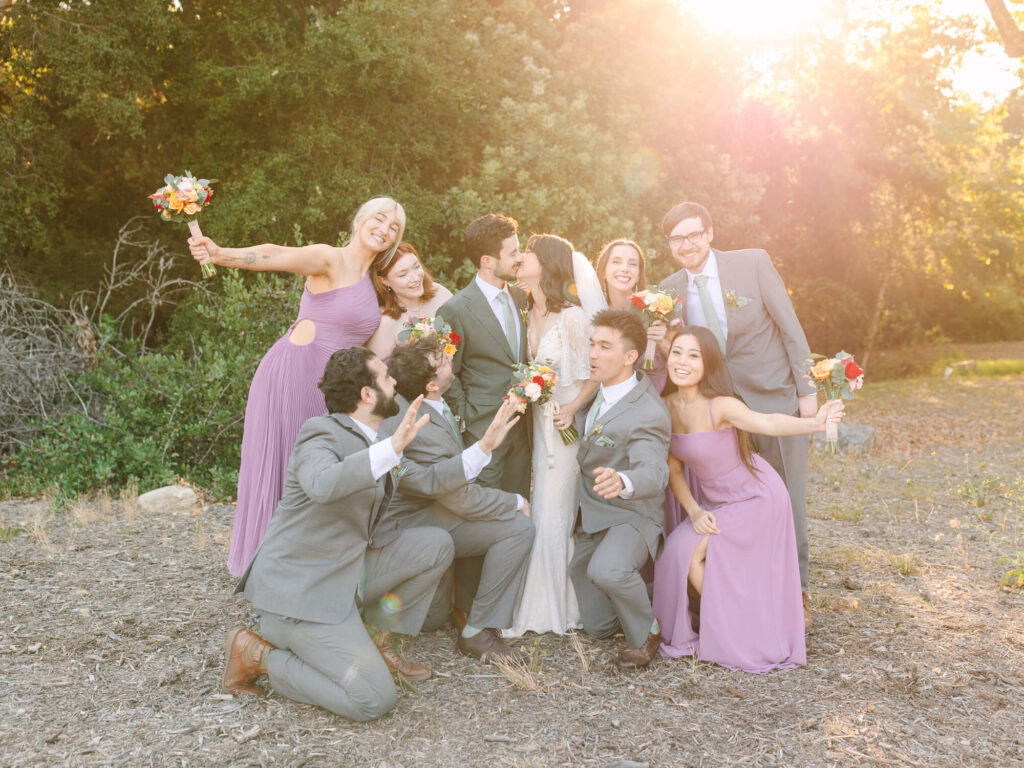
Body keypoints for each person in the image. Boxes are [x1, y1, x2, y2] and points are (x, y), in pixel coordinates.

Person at [222, 346, 455, 720]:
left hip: (345, 575)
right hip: (300, 594)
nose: (394, 381)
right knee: (373, 698)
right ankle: (257, 654)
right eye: (385, 377)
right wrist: (392, 449)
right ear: (367, 394)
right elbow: (322, 484)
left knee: (436, 544)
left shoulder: (373, 440)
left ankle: (375, 641)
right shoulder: (320, 433)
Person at [188, 196, 405, 577]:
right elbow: (275, 254)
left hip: (331, 388)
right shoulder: (329, 258)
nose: (385, 229)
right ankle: (265, 568)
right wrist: (221, 254)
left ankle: (300, 565)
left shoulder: (373, 285)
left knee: (314, 472)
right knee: (286, 464)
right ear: (360, 220)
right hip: (293, 372)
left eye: (394, 227)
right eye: (380, 219)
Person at [658, 201, 818, 625]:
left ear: (709, 233)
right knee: (733, 502)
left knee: (788, 497)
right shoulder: (667, 291)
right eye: (677, 238)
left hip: (773, 398)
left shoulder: (753, 263)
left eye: (693, 234)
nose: (687, 244)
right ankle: (748, 587)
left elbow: (790, 326)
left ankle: (797, 590)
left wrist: (807, 390)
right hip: (718, 412)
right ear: (670, 245)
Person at [652, 327, 843, 673]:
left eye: (693, 355)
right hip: (713, 504)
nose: (682, 361)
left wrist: (814, 424)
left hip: (756, 498)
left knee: (694, 553)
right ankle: (733, 624)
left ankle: (742, 631)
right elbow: (674, 471)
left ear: (707, 363)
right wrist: (694, 511)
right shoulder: (664, 407)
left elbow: (767, 422)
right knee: (675, 554)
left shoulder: (720, 405)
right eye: (677, 352)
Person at [379, 337, 534, 661]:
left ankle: (478, 625)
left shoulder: (426, 400)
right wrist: (514, 501)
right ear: (432, 384)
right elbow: (457, 497)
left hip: (434, 513)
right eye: (444, 361)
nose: (452, 358)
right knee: (519, 526)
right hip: (412, 527)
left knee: (515, 528)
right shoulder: (417, 423)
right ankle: (477, 633)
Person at [436, 213, 531, 625]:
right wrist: (469, 418)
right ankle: (466, 610)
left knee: (513, 517)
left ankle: (500, 606)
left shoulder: (524, 298)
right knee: (481, 517)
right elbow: (445, 372)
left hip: (524, 429)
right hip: (482, 432)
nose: (520, 257)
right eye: (513, 252)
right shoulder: (456, 308)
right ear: (487, 261)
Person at [505, 234, 602, 637]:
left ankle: (550, 609)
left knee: (553, 510)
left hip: (564, 430)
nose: (521, 257)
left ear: (545, 263)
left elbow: (595, 373)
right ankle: (542, 599)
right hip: (536, 427)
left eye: (527, 252)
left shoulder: (574, 318)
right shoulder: (528, 310)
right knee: (540, 505)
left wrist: (572, 408)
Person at [570, 309, 670, 670]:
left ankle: (649, 633)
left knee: (608, 572)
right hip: (592, 514)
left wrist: (624, 481)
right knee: (597, 628)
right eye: (592, 344)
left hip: (631, 514)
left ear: (630, 357)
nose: (593, 353)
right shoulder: (595, 390)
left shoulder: (648, 412)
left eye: (604, 347)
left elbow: (654, 472)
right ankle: (663, 594)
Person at [595, 238, 669, 392]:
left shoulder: (658, 310)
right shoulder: (593, 314)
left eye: (632, 264)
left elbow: (684, 359)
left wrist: (662, 342)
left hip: (652, 402)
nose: (625, 269)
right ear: (603, 271)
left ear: (638, 274)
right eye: (616, 261)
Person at [366, 241, 453, 359]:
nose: (415, 278)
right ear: (384, 280)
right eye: (403, 274)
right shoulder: (385, 323)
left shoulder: (440, 293)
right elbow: (381, 373)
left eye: (417, 267)